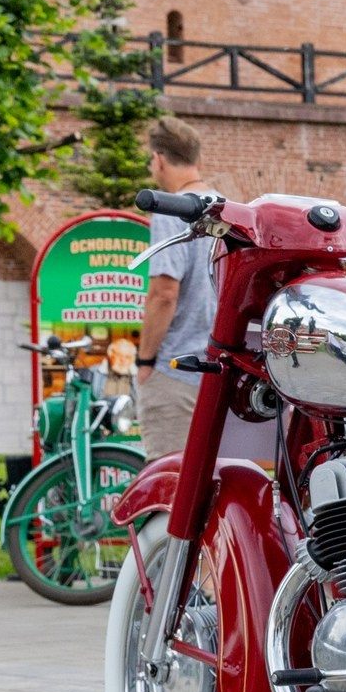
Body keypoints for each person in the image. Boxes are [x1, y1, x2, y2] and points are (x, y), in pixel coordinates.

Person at [135, 116, 221, 460]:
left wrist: (145, 360)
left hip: (177, 370)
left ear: (158, 159)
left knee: (168, 480)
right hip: (220, 371)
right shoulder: (227, 208)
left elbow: (164, 294)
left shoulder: (171, 210)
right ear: (199, 160)